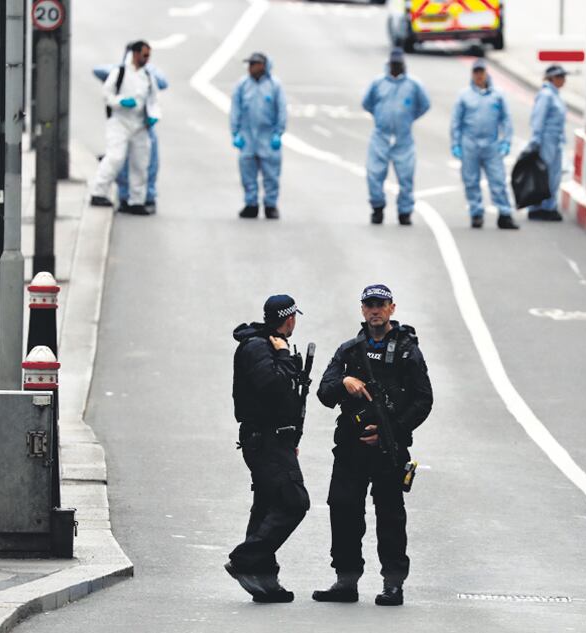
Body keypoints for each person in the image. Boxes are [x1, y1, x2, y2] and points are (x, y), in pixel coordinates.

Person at [313, 284, 433, 607]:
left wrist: (389, 431)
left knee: (390, 516)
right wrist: (344, 383)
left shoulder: (407, 351)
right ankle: (346, 580)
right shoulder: (349, 350)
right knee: (343, 507)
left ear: (392, 308)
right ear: (362, 309)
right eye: (369, 305)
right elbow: (324, 393)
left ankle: (393, 583)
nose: (375, 310)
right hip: (351, 449)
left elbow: (423, 400)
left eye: (381, 305)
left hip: (387, 449)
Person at [226, 295, 311, 603]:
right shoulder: (260, 347)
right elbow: (273, 387)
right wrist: (286, 357)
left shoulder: (269, 345)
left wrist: (292, 438)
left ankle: (264, 578)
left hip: (277, 439)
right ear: (289, 319)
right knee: (294, 501)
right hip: (266, 440)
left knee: (266, 506)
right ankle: (245, 560)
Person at [93, 47, 170, 215]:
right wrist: (121, 101)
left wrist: (154, 115)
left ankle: (137, 200)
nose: (147, 59)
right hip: (120, 121)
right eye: (144, 55)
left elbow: (155, 99)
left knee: (141, 163)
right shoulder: (119, 71)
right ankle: (99, 192)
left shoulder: (149, 75)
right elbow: (107, 94)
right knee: (116, 157)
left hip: (140, 124)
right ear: (134, 54)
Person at [362, 49, 430, 226]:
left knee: (406, 176)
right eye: (394, 65)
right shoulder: (378, 83)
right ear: (389, 65)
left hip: (403, 138)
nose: (396, 68)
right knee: (374, 174)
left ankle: (405, 212)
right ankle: (377, 208)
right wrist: (380, 117)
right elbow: (367, 103)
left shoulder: (414, 85)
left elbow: (424, 105)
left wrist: (408, 119)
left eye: (399, 65)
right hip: (381, 136)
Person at [450, 58, 519, 230]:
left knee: (498, 180)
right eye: (476, 72)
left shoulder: (497, 95)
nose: (479, 76)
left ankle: (504, 213)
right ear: (472, 75)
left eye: (482, 72)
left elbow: (506, 120)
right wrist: (455, 143)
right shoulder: (464, 96)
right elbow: (456, 122)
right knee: (471, 180)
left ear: (486, 73)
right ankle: (476, 213)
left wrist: (506, 141)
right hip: (470, 144)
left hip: (491, 144)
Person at [231, 52, 287, 220]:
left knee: (271, 174)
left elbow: (281, 111)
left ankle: (270, 204)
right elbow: (235, 110)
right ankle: (251, 204)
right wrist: (235, 133)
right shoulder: (242, 85)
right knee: (247, 173)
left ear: (262, 66)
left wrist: (278, 132)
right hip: (248, 137)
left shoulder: (274, 86)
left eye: (253, 64)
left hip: (267, 137)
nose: (250, 68)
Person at [526, 64, 568, 222]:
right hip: (546, 141)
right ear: (552, 78)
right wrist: (536, 139)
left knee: (553, 176)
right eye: (560, 77)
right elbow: (538, 118)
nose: (563, 80)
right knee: (544, 175)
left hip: (555, 141)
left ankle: (547, 206)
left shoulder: (555, 95)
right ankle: (540, 207)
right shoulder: (546, 95)